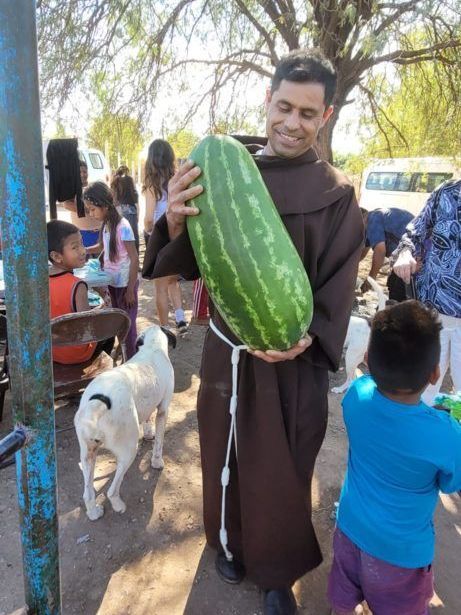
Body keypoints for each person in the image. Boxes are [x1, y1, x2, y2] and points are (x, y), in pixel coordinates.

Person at [143, 49, 363, 614]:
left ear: (327, 116)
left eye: (308, 114)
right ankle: (227, 543)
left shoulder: (337, 193)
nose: (292, 123)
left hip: (295, 360)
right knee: (225, 452)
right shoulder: (221, 169)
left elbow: (340, 278)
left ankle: (276, 573)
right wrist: (170, 218)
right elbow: (186, 257)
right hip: (230, 352)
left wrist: (309, 335)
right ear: (267, 101)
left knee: (284, 463)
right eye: (283, 107)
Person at [328, 301, 461, 615]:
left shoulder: (356, 396)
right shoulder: (446, 434)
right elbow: (449, 482)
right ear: (434, 373)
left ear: (369, 361)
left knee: (343, 597)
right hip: (399, 555)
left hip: (349, 530)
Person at [393, 179, 461, 405]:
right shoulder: (448, 191)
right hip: (432, 316)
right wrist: (404, 253)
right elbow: (415, 231)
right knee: (419, 392)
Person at [83, 181, 139, 359]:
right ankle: (124, 351)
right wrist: (84, 250)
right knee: (117, 322)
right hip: (113, 283)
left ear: (104, 205)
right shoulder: (106, 224)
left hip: (125, 285)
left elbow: (135, 258)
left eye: (92, 209)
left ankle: (132, 359)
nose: (91, 213)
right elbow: (102, 246)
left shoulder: (123, 226)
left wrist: (130, 290)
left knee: (127, 325)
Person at [47, 219, 114, 364]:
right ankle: (93, 369)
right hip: (75, 354)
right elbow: (86, 326)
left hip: (51, 350)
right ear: (56, 256)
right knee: (109, 335)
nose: (83, 251)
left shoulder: (42, 281)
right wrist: (103, 304)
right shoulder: (78, 285)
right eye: (75, 247)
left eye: (82, 244)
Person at [143, 139, 188, 335]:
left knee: (160, 286)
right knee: (173, 281)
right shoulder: (178, 180)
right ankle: (180, 319)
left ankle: (164, 328)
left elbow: (148, 218)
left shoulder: (151, 185)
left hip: (160, 238)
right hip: (177, 236)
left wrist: (148, 233)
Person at [359, 207, 413, 301]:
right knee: (393, 283)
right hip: (405, 256)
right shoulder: (370, 225)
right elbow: (364, 250)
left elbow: (380, 251)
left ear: (362, 218)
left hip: (413, 255)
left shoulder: (373, 219)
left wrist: (370, 279)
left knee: (398, 292)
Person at [61, 161, 102, 248]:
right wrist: (89, 209)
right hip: (83, 233)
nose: (83, 174)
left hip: (99, 231)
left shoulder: (93, 187)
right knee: (85, 259)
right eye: (79, 172)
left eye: (85, 172)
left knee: (101, 259)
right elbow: (66, 204)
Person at [111, 165, 140, 253]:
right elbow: (135, 197)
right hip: (130, 211)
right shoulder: (129, 179)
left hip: (117, 211)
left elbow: (113, 199)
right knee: (133, 238)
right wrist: (138, 214)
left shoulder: (115, 181)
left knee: (120, 239)